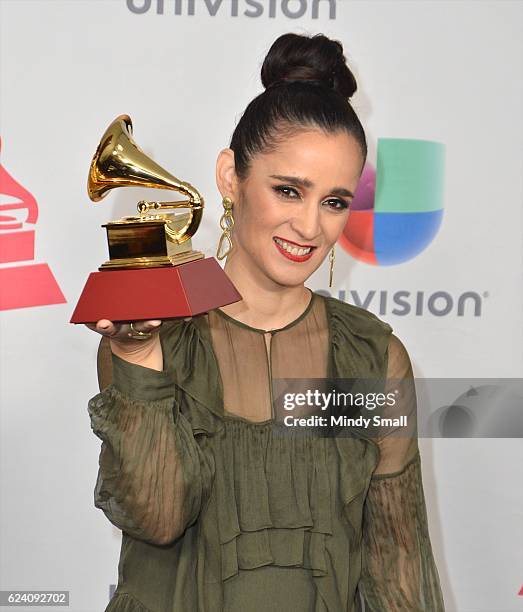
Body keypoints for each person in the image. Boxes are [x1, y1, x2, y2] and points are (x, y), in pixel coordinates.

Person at [86, 33, 446, 612]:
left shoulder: (371, 356)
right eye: (287, 190)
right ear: (230, 177)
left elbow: (397, 562)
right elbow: (157, 517)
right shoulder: (155, 334)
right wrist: (135, 357)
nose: (310, 227)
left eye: (334, 201)